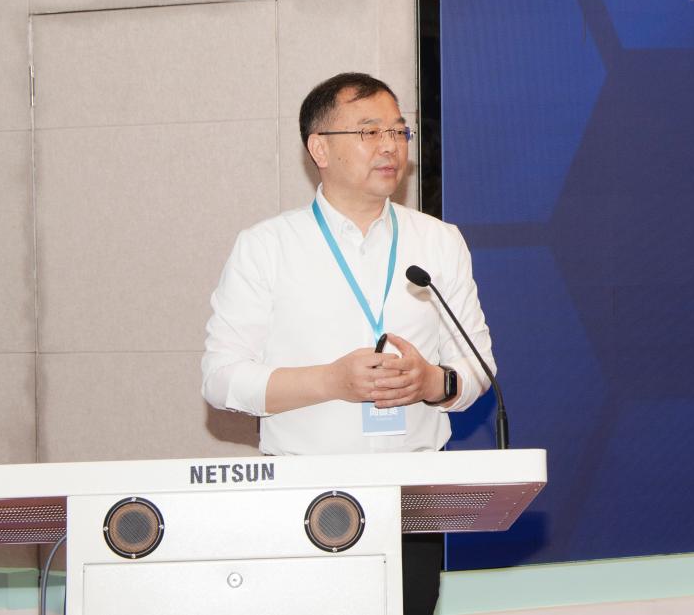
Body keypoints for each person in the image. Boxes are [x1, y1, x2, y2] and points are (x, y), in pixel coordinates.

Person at [204, 72, 495, 615]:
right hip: (303, 493)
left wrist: (431, 382)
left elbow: (478, 369)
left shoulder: (438, 241)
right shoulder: (267, 247)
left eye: (399, 131)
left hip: (412, 495)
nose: (390, 145)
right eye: (369, 131)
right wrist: (331, 382)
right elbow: (221, 380)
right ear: (320, 148)